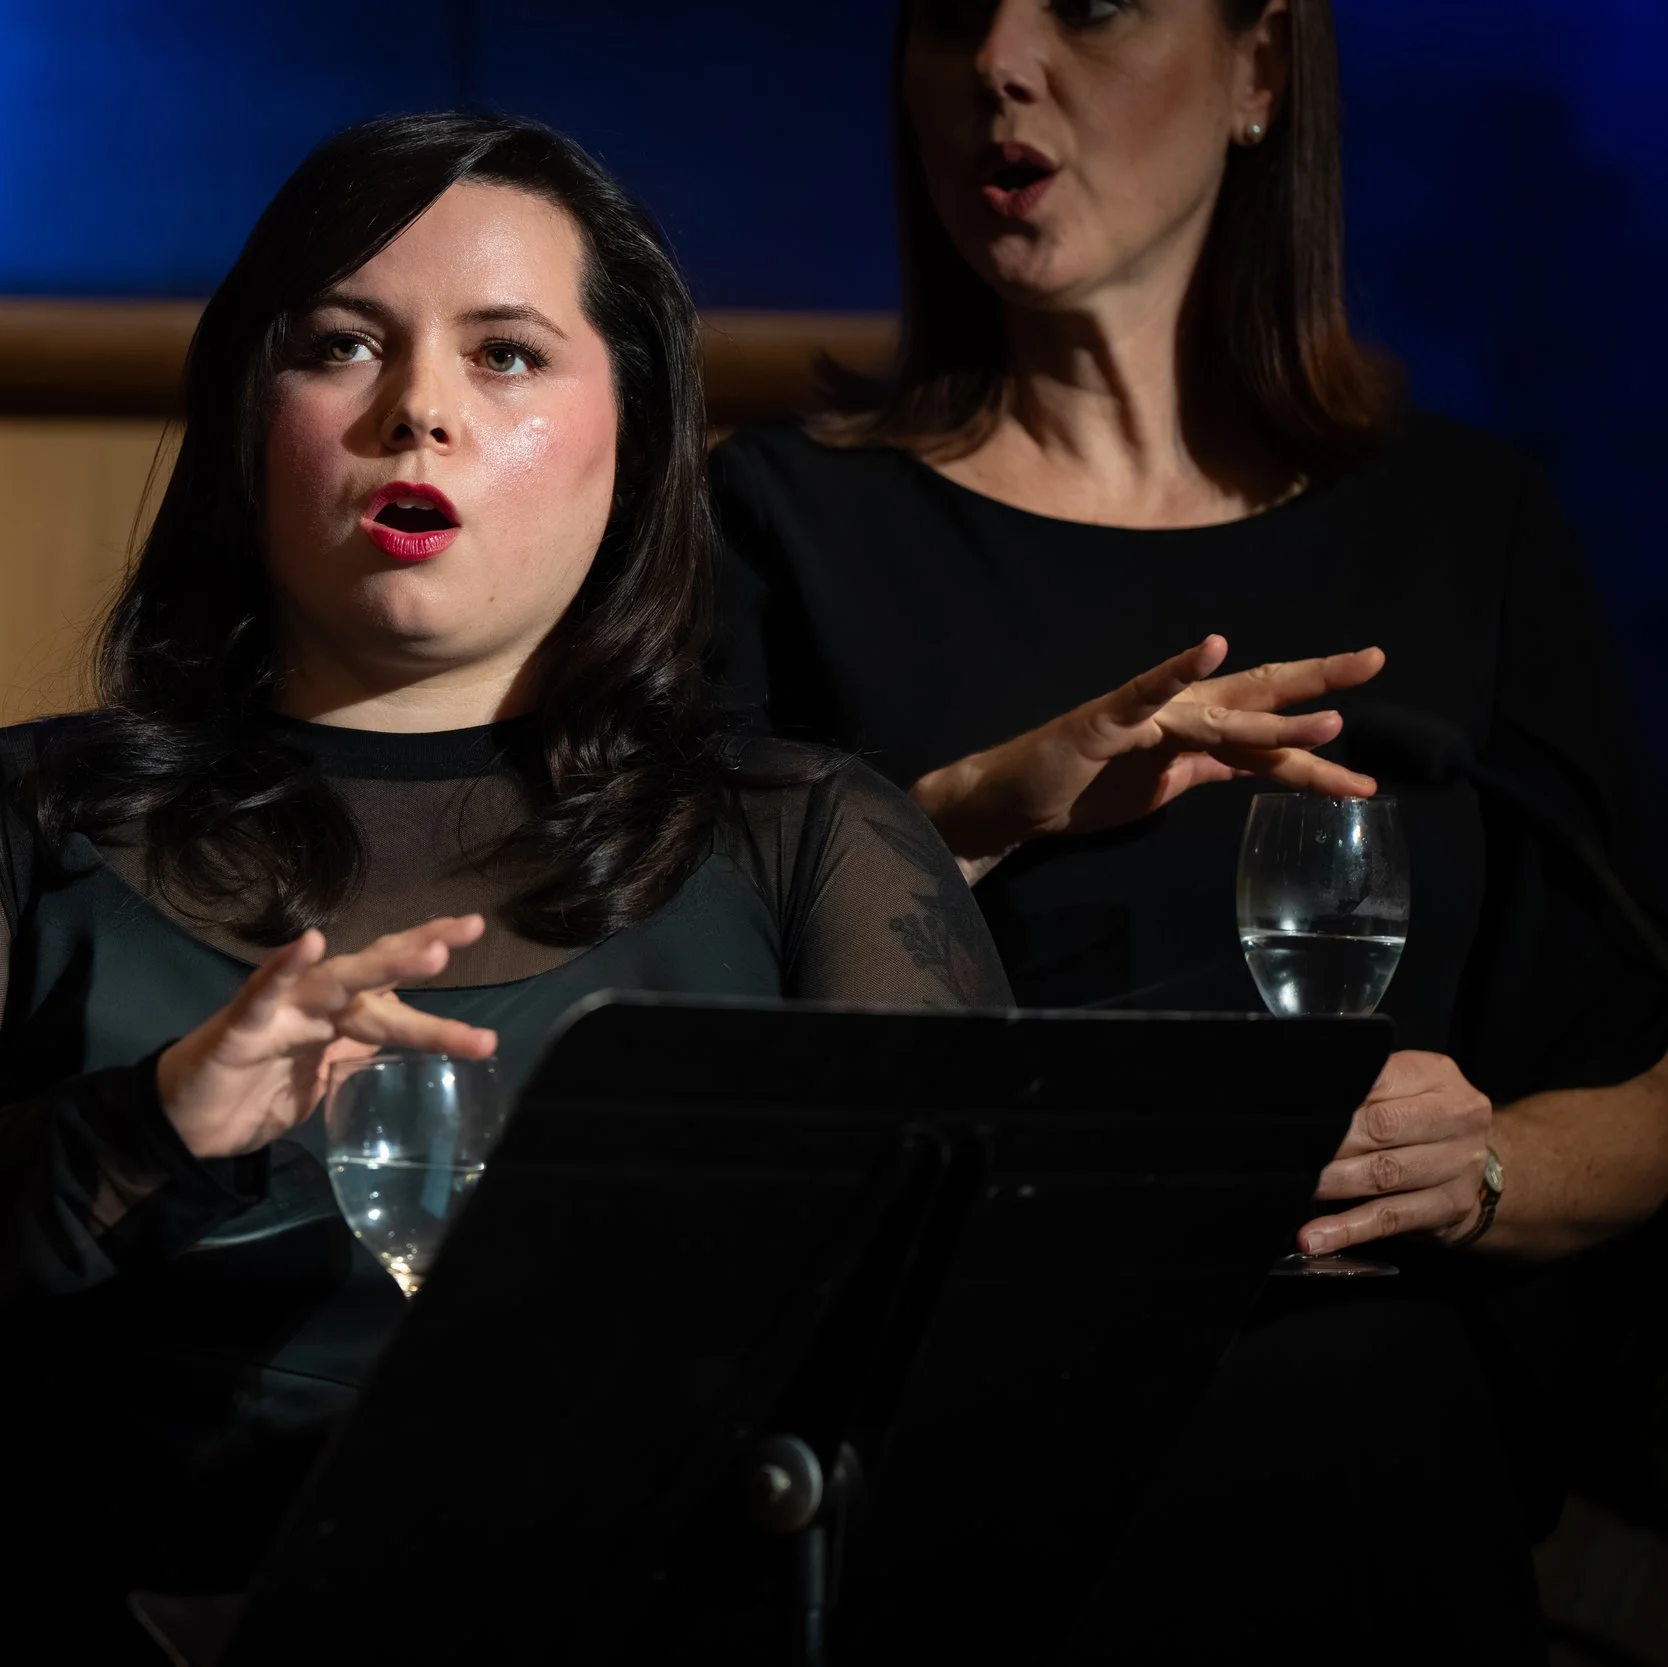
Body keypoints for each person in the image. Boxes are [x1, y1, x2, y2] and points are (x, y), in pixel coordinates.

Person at [0, 111, 1010, 1656]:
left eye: (508, 354)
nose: (418, 415)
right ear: (249, 415)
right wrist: (149, 1125)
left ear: (637, 436)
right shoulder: (15, 815)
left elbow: (994, 1364)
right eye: (341, 344)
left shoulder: (809, 840)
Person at [712, 0, 1668, 1657]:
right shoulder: (779, 527)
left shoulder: (1470, 526)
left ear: (1261, 72)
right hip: (953, 1549)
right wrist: (964, 816)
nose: (1001, 62)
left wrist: (1487, 1165)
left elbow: (1646, 1079)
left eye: (1089, 7)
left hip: (1387, 1531)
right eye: (948, 18)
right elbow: (667, 1052)